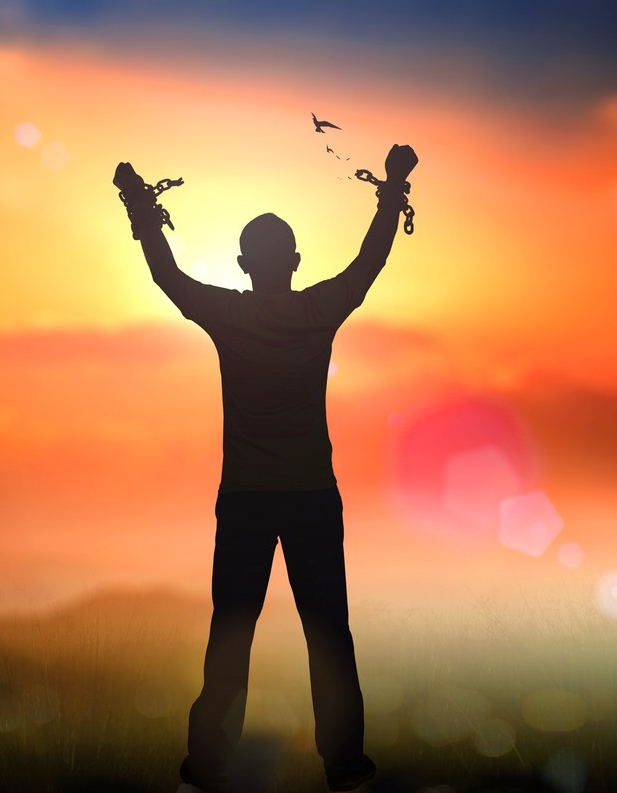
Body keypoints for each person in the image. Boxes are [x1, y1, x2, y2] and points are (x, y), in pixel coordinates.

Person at [114, 144, 418, 793]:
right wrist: (392, 187)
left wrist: (143, 210)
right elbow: (370, 262)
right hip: (311, 496)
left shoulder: (231, 314)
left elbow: (168, 277)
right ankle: (344, 767)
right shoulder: (316, 311)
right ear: (295, 263)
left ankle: (208, 769)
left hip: (246, 499)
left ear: (245, 265)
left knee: (232, 630)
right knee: (328, 632)